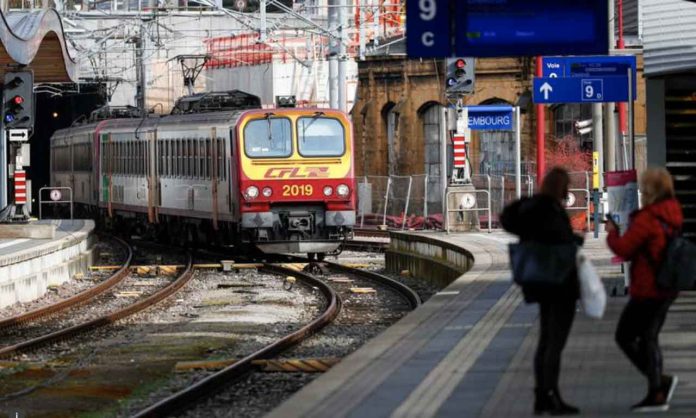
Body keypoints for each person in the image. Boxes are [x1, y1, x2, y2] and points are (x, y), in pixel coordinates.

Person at [501, 167, 582, 416]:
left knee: (545, 339)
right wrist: (574, 241)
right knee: (554, 344)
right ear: (562, 187)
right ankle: (551, 396)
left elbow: (507, 217)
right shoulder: (550, 211)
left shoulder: (533, 207)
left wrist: (528, 199)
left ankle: (542, 395)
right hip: (560, 284)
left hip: (542, 284)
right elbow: (559, 241)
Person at [606, 167, 682, 412]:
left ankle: (657, 386)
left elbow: (624, 249)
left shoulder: (649, 218)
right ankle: (657, 385)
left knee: (626, 336)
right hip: (666, 287)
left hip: (648, 289)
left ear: (649, 190)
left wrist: (611, 234)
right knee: (649, 337)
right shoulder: (672, 212)